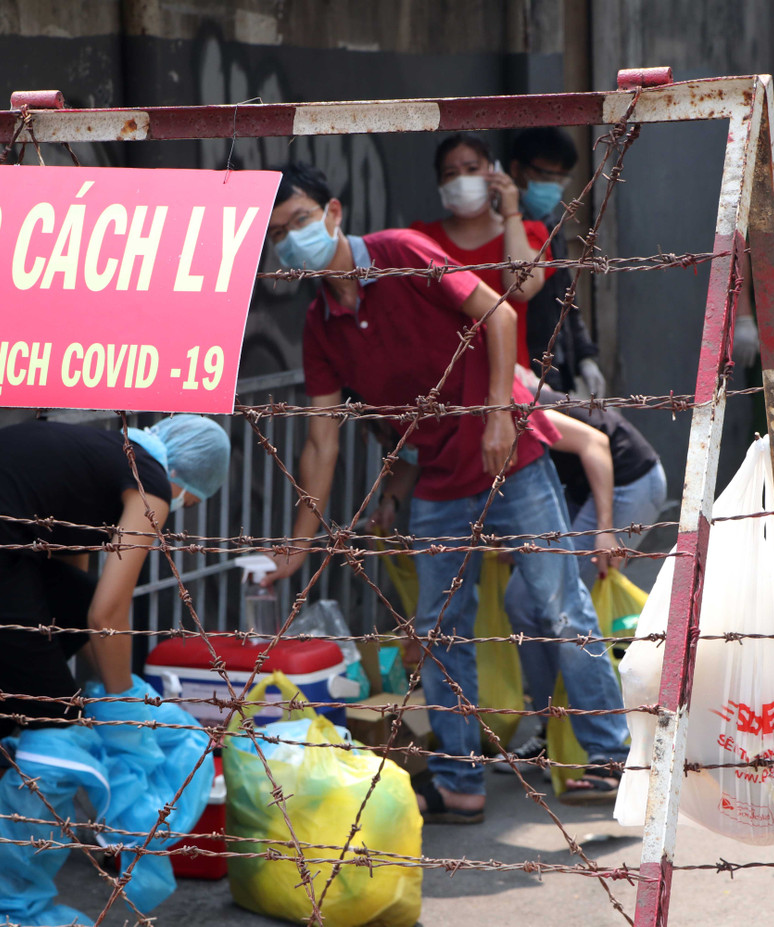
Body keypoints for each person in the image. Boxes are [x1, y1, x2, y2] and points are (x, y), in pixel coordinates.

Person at [262, 161, 630, 820]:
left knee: (560, 604)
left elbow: (497, 316)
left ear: (335, 214)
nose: (295, 240)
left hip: (509, 454)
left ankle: (612, 757)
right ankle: (459, 776)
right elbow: (322, 440)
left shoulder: (403, 253)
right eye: (281, 235)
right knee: (438, 630)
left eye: (301, 221)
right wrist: (297, 545)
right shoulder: (322, 325)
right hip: (436, 475)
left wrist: (496, 411)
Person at [0, 416, 230, 780]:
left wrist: (108, 681)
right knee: (58, 715)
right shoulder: (152, 483)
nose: (185, 506)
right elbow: (107, 615)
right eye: (192, 503)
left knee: (46, 661)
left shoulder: (98, 454)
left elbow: (76, 607)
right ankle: (55, 820)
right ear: (187, 475)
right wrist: (125, 711)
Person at [494, 370, 666, 772]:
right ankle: (550, 726)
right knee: (522, 601)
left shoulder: (524, 406)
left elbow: (595, 443)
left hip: (626, 482)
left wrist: (604, 530)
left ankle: (607, 741)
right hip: (579, 492)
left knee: (562, 610)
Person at [410, 133, 552, 369]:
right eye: (451, 174)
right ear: (441, 186)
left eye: (472, 168)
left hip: (508, 378)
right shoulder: (422, 239)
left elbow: (521, 287)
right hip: (441, 378)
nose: (462, 179)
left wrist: (511, 214)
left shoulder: (529, 233)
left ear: (494, 171)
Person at [506, 127, 607, 395]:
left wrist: (585, 357)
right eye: (544, 175)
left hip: (557, 361)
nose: (551, 187)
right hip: (518, 368)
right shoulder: (499, 226)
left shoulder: (551, 223)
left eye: (560, 179)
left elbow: (566, 294)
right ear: (517, 170)